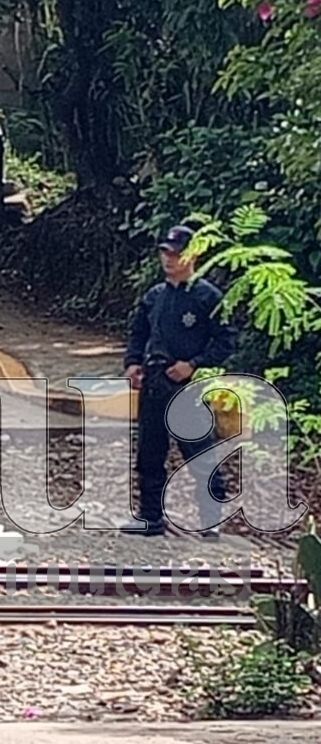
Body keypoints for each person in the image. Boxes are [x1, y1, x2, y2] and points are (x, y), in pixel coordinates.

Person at [121, 224, 238, 537]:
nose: (169, 259)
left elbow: (226, 340)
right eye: (165, 253)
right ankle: (150, 517)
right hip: (154, 381)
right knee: (149, 452)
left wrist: (194, 364)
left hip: (189, 386)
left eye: (175, 254)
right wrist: (133, 363)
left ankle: (211, 518)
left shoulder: (207, 296)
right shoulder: (155, 296)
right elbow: (138, 332)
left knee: (198, 452)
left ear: (192, 256)